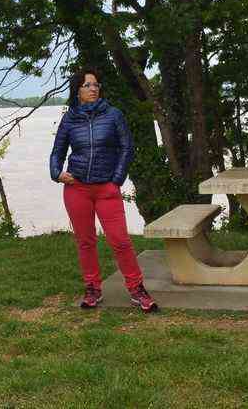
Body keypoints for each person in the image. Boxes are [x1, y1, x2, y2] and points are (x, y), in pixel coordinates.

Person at [49, 68, 158, 313]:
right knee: (85, 241)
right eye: (87, 85)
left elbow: (127, 148)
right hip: (77, 189)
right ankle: (92, 288)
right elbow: (57, 151)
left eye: (96, 85)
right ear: (77, 90)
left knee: (120, 240)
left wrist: (116, 180)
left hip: (106, 188)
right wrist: (56, 173)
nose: (93, 89)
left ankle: (136, 288)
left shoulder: (113, 115)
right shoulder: (69, 119)